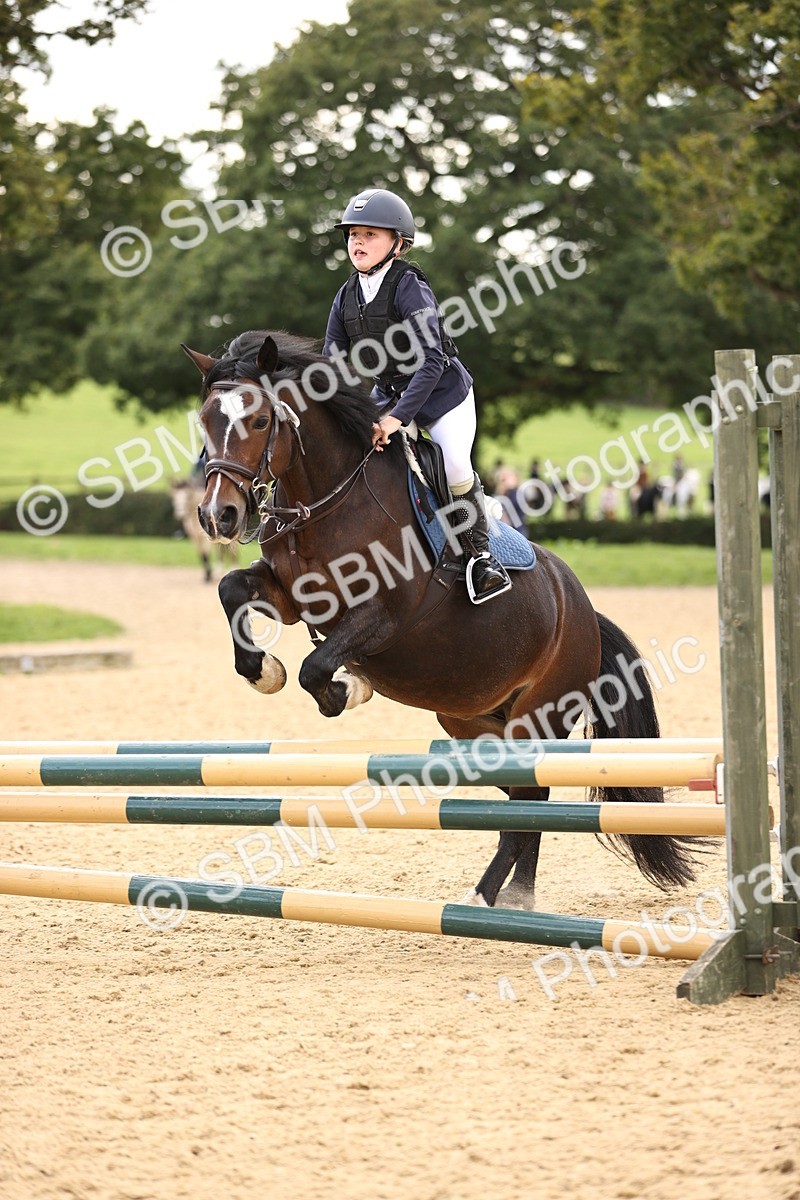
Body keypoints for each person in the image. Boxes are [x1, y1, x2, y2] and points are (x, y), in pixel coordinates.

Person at [323, 187, 511, 604]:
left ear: (398, 243)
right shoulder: (345, 295)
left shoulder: (408, 286)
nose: (358, 242)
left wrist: (396, 419)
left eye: (370, 234)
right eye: (353, 234)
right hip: (388, 394)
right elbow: (332, 361)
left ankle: (481, 559)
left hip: (442, 396)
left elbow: (431, 361)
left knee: (455, 466)